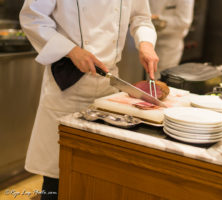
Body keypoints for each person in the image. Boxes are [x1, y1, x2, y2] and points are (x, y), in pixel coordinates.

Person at [19, 1, 158, 199]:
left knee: (97, 174)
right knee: (58, 176)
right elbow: (32, 18)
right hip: (67, 88)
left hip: (108, 87)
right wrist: (72, 51)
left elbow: (141, 17)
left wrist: (145, 43)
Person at [149, 0, 194, 79]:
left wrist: (158, 19)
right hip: (147, 41)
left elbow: (183, 22)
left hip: (168, 47)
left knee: (159, 80)